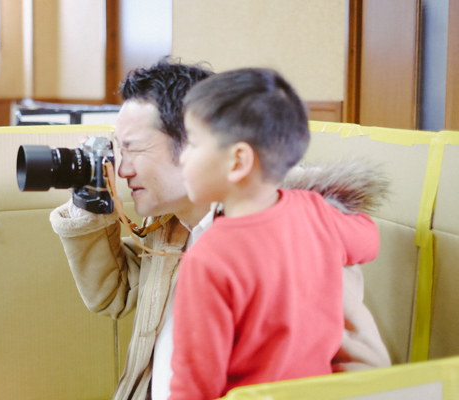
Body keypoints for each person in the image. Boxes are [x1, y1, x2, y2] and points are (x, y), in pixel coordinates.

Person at [50, 58, 391, 400]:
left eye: (132, 148)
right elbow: (115, 294)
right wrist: (89, 196)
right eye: (116, 150)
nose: (120, 169)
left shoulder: (287, 239)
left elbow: (360, 370)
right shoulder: (173, 229)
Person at [168, 68, 380, 400]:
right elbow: (369, 241)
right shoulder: (315, 211)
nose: (182, 158)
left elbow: (194, 386)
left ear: (238, 160)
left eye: (192, 143)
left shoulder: (208, 258)